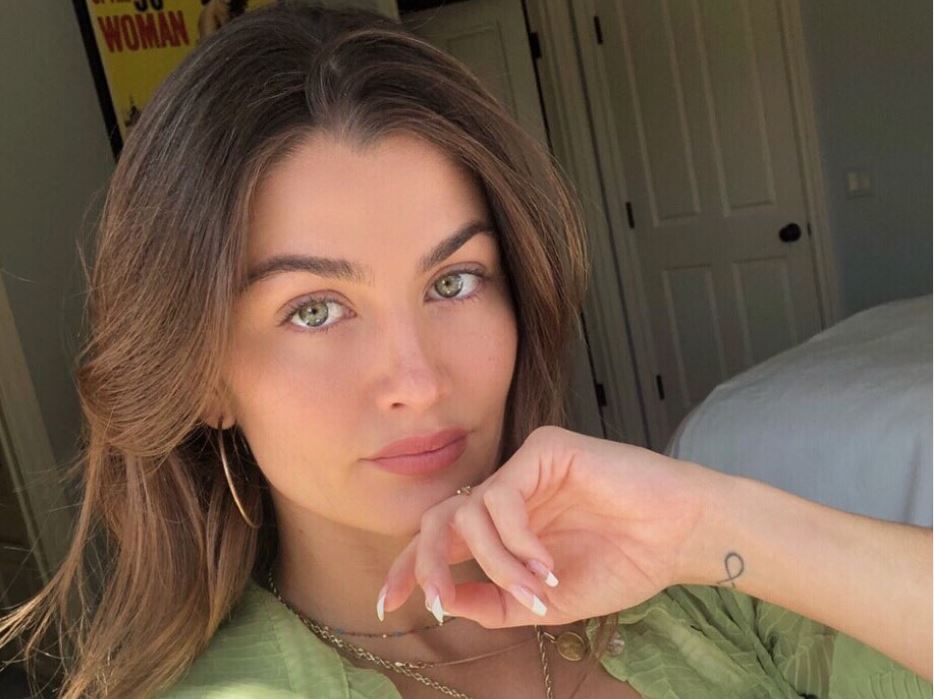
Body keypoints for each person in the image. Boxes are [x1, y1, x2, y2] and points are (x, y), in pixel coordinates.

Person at [0, 2, 929, 698]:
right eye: (315, 309)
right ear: (204, 375)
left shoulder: (687, 584)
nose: (417, 379)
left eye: (453, 282)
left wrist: (711, 522)